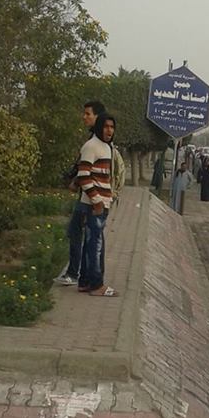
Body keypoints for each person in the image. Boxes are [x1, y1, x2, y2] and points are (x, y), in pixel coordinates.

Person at [57, 99, 106, 286]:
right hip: (91, 195)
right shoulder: (96, 139)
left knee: (83, 232)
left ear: (97, 116)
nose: (84, 117)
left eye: (88, 114)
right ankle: (88, 274)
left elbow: (87, 169)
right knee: (91, 234)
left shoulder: (96, 142)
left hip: (91, 196)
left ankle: (77, 273)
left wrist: (77, 182)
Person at [77, 114, 118, 297]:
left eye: (112, 127)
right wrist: (97, 200)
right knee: (96, 246)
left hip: (102, 202)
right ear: (99, 127)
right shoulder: (92, 146)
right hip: (95, 205)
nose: (109, 130)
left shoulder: (105, 147)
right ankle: (96, 285)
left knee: (90, 244)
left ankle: (85, 282)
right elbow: (83, 176)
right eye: (106, 126)